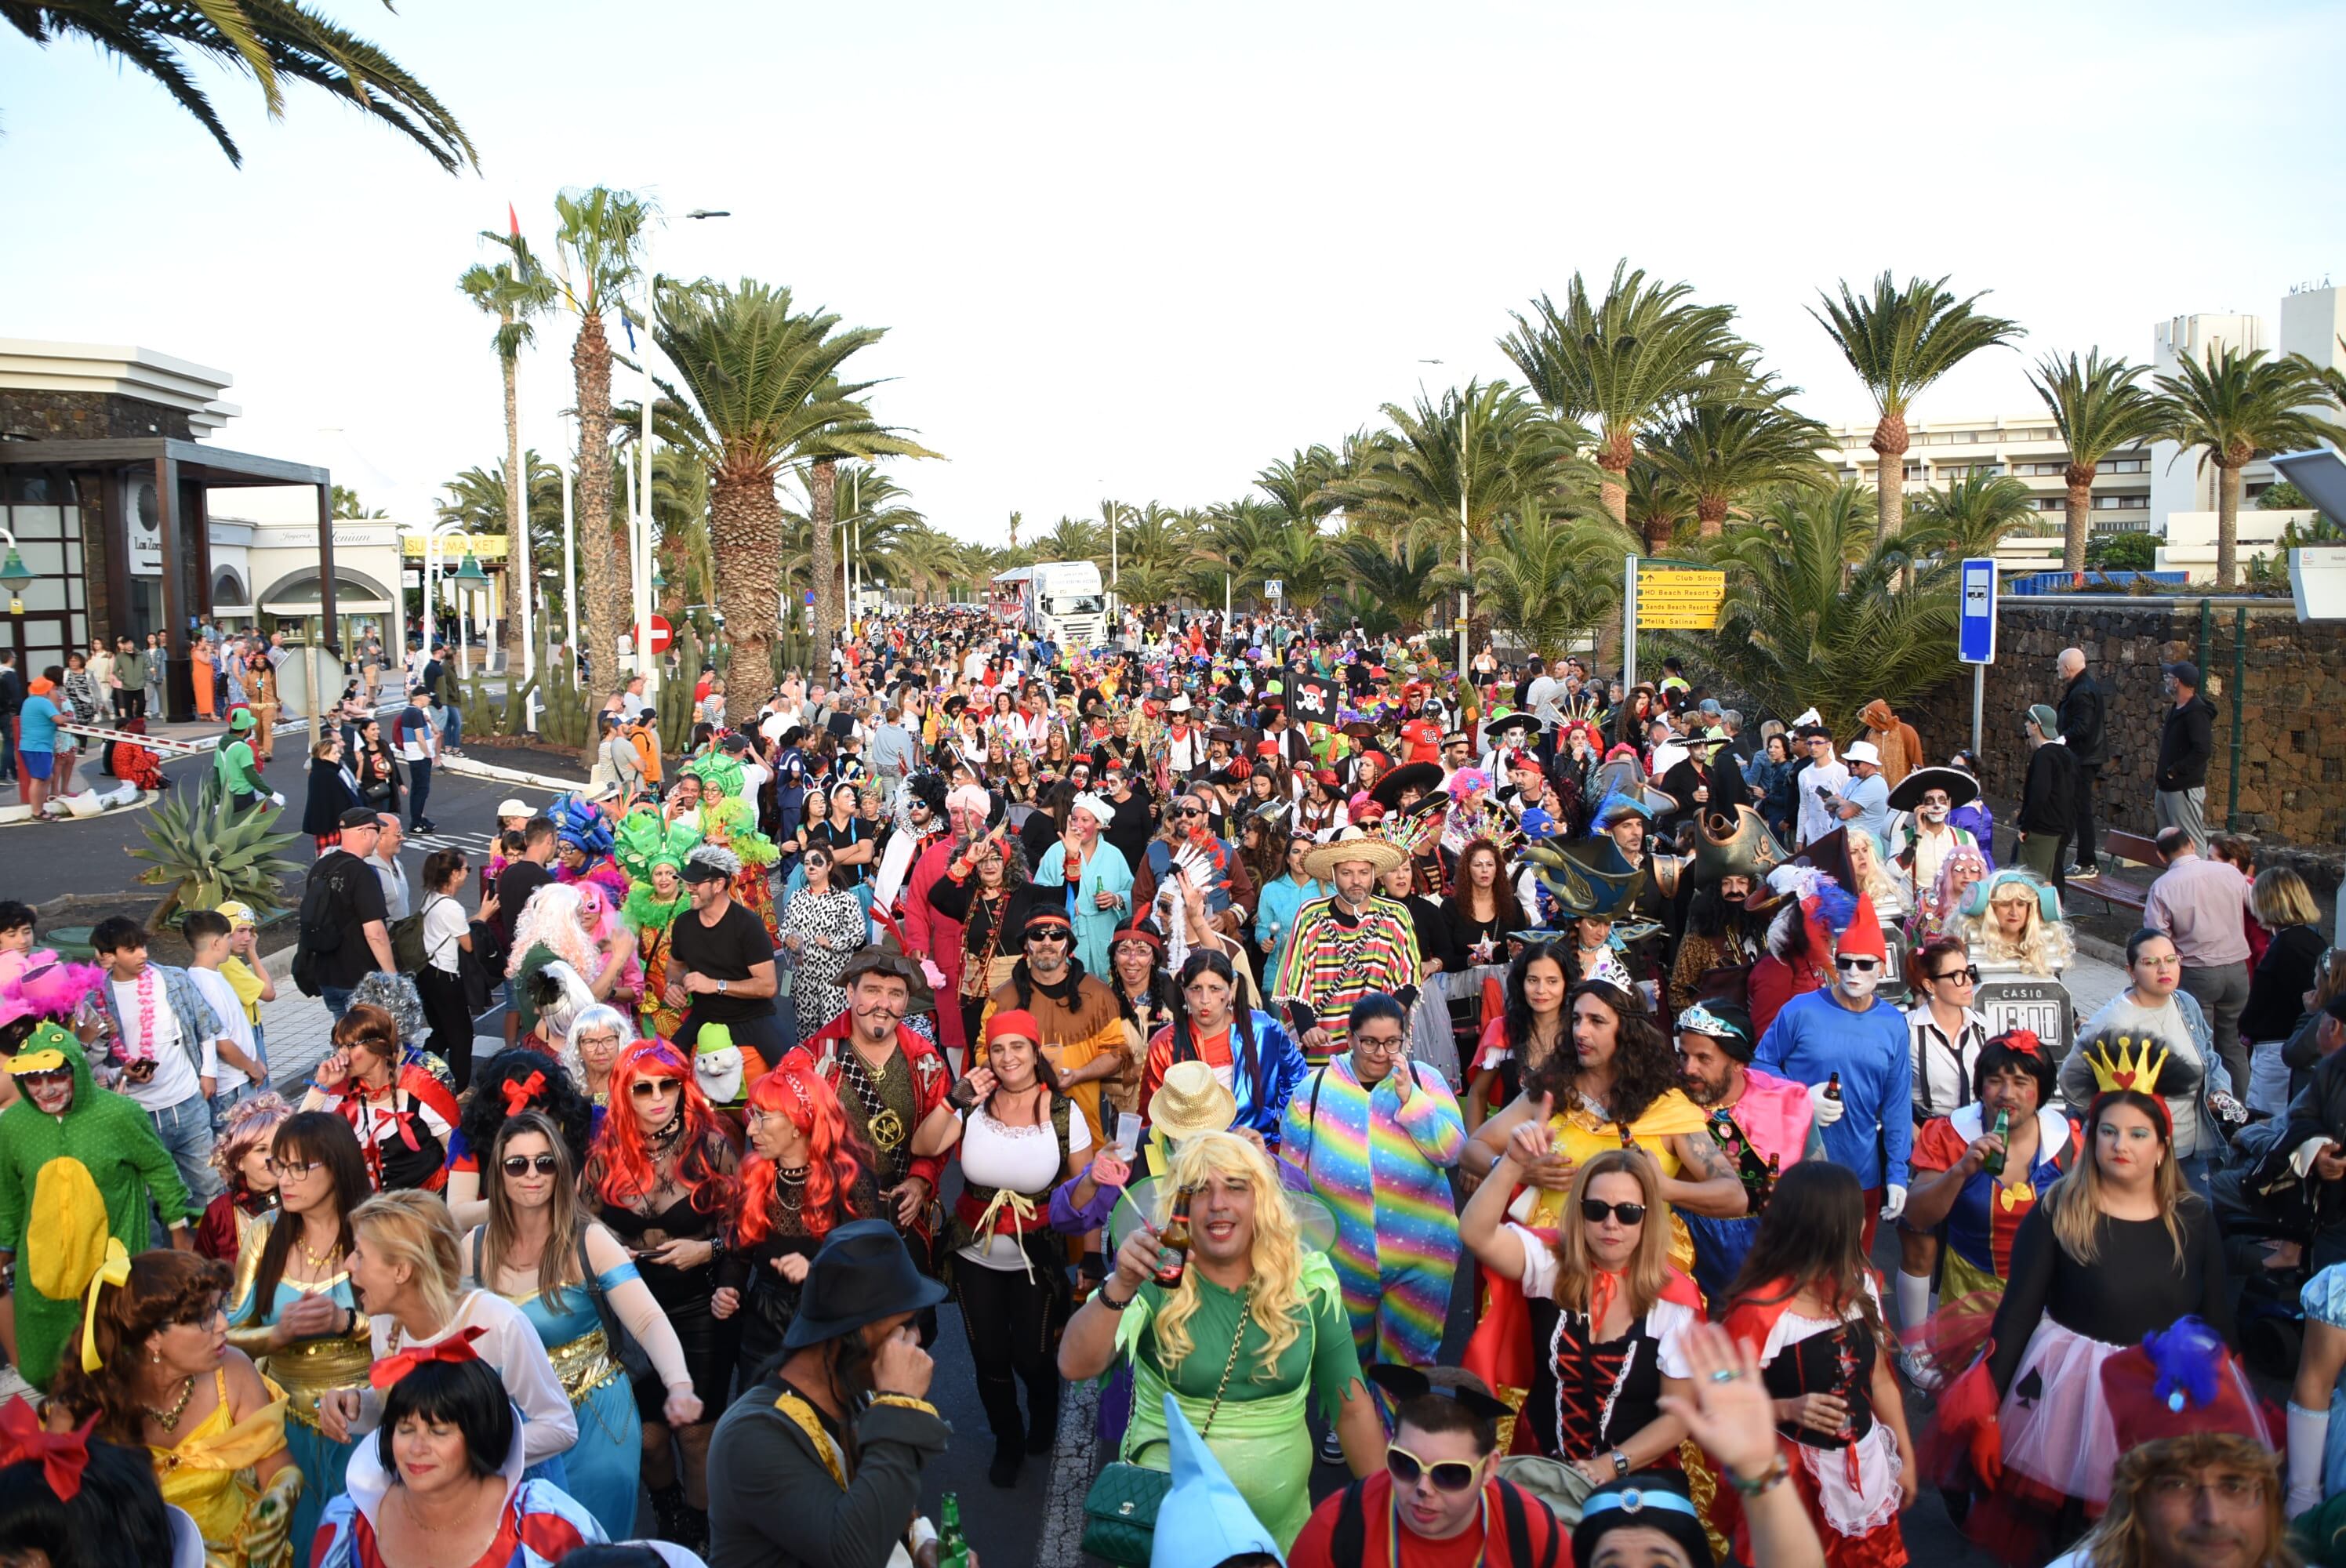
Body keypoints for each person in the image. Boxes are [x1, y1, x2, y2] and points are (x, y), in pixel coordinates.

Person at [1939, 1036, 2249, 1556]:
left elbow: (2216, 1315)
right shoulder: (2058, 1209)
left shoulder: (2191, 1217)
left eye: (2136, 1133)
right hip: (2071, 1392)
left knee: (2159, 1528)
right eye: (2108, 1131)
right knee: (2071, 1532)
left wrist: (2230, 1407)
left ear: (2161, 1146)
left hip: (2164, 1392)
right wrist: (1988, 1412)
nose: (2120, 1144)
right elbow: (2016, 1317)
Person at [1058, 1130, 1381, 1551]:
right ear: (1181, 1208)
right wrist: (1120, 1284)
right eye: (1199, 1190)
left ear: (1259, 1200)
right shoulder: (1155, 1277)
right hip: (1170, 1537)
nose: (1218, 1204)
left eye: (1235, 1187)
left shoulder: (1308, 1279)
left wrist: (1385, 1518)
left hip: (1277, 1540)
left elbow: (1352, 1412)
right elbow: (1075, 1365)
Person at [463, 1111, 701, 1541]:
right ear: (497, 1174)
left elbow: (647, 1320)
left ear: (561, 1169)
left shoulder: (589, 1240)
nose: (532, 1174)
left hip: (596, 1420)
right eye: (517, 1164)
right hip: (514, 1428)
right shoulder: (474, 1248)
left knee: (594, 1547)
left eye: (545, 1162)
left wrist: (679, 1383)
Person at [910, 1011, 1105, 1486]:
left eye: (1017, 1047)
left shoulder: (1063, 1111)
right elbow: (923, 1143)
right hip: (974, 1251)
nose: (1008, 1057)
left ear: (1034, 1052)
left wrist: (1092, 1257)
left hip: (1036, 1252)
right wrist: (953, 1101)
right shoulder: (974, 1105)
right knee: (989, 1357)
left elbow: (1085, 1191)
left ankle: (1043, 1412)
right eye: (998, 1049)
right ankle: (1008, 1439)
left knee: (1032, 1357)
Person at [705, 1219, 953, 1568]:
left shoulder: (855, 1396)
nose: (916, 1340)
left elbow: (884, 1500)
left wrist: (919, 1543)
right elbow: (855, 1555)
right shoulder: (751, 1438)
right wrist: (900, 1402)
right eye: (904, 1325)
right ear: (853, 1333)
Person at [1467, 980, 1749, 1273]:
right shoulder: (1552, 1095)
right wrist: (1516, 1169)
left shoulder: (1667, 1106)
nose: (1580, 1031)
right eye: (1576, 1019)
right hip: (1557, 1271)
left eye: (1596, 1021)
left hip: (1639, 1278)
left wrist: (1666, 1188)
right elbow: (1473, 1149)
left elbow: (1733, 1196)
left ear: (1627, 1031)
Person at [48, 1246, 303, 1568]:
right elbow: (66, 1526)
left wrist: (280, 1498)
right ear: (154, 1338)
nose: (224, 1323)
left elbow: (278, 1466)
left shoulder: (232, 1369)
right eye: (204, 1316)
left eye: (219, 1306)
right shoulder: (82, 1410)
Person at [1717, 1162, 1917, 1568]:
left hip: (1867, 1470)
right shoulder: (1760, 1311)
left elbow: (1878, 1379)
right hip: (1794, 1481)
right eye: (1855, 1214)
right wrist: (1785, 1408)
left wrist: (1908, 1459)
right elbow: (1719, 1402)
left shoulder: (1859, 1283)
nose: (1865, 1221)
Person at [1458, 1146, 1701, 1480]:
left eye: (1628, 1212)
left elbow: (1679, 1418)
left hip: (1634, 1474)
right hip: (1542, 1465)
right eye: (1597, 1209)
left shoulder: (1673, 1301)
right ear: (1579, 1212)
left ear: (1649, 1218)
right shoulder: (1550, 1265)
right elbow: (1475, 1234)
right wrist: (1512, 1162)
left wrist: (1610, 1465)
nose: (1611, 1224)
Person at [585, 1042, 739, 1548]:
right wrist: (609, 1250)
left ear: (682, 1087)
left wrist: (708, 1250)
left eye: (667, 1085)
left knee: (696, 1433)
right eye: (643, 1087)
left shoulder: (712, 1146)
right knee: (649, 1439)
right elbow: (577, 1227)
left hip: (699, 1304)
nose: (657, 1098)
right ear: (624, 1093)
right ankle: (667, 1508)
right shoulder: (605, 1154)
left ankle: (699, 1528)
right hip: (629, 1313)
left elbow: (743, 1230)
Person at [321, 1189, 579, 1486]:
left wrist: (464, 1453)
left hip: (506, 1496)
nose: (348, 1265)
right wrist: (356, 1404)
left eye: (361, 1254)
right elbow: (413, 1414)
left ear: (402, 1270)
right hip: (432, 1500)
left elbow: (560, 1426)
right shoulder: (385, 1325)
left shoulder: (496, 1323)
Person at [0, 1015, 197, 1391]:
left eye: (56, 1076)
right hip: (43, 1280)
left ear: (76, 1068)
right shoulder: (12, 1126)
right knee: (52, 1371)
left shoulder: (119, 1114)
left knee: (121, 1368)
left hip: (114, 1275)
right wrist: (3, 1255)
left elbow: (162, 1170)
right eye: (33, 1080)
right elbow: (8, 1200)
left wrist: (178, 1235)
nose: (45, 1090)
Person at [1280, 991, 1465, 1384]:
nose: (1381, 1053)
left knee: (1411, 1362)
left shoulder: (1423, 1080)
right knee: (1344, 1355)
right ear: (1350, 1039)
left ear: (1404, 1039)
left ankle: (1400, 1439)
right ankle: (1348, 1428)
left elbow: (1452, 1151)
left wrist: (1410, 1100)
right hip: (1340, 1255)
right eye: (1369, 1042)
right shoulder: (1313, 1090)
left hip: (1423, 1254)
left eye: (1392, 1042)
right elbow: (1291, 1183)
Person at [310, 1335, 608, 1568]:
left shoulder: (545, 1527)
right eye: (405, 1429)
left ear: (479, 1435)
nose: (417, 1448)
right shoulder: (348, 1525)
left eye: (438, 1432)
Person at [1753, 889, 1912, 1250]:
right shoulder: (1800, 1010)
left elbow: (1898, 1103)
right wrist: (1800, 1097)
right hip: (1800, 1167)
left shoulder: (1892, 1024)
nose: (1854, 972)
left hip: (1862, 1172)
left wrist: (1898, 1174)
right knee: (1798, 1266)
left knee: (1853, 1271)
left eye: (1865, 964)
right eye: (1846, 963)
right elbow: (1758, 1067)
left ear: (1882, 968)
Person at [1287, 1365, 1568, 1568]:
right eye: (1405, 1464)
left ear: (1489, 1469)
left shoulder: (1530, 1531)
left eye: (1449, 1473)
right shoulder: (1336, 1532)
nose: (1423, 1488)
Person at [713, 1058, 881, 1389]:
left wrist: (817, 1270)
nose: (749, 1130)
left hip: (828, 1322)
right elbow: (740, 1250)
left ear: (798, 1123)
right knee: (762, 1426)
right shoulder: (755, 1175)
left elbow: (872, 1263)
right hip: (763, 1325)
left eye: (762, 1117)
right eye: (752, 1117)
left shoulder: (850, 1180)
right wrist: (728, 1287)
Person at [797, 949, 954, 1262]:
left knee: (911, 1310)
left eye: (895, 994)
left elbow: (940, 1138)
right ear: (851, 992)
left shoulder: (926, 1063)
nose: (884, 1004)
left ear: (906, 1003)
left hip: (901, 1218)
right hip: (832, 1216)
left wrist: (920, 1180)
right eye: (872, 991)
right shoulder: (813, 1058)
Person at [1672, 998, 1818, 1303]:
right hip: (1688, 1256)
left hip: (1772, 1256)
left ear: (1738, 1062)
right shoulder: (1666, 1105)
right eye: (1683, 1055)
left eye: (1703, 1058)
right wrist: (1690, 1172)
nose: (1688, 1069)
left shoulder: (1786, 1103)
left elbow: (1819, 1185)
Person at [2065, 930, 2224, 1190]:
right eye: (2150, 963)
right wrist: (2111, 1120)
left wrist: (2219, 1089)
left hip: (2191, 1152)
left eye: (2171, 959)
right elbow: (2071, 1081)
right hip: (2137, 1160)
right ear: (2131, 970)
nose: (2164, 969)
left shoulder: (2185, 1003)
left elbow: (2208, 1055)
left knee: (2194, 1227)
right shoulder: (2114, 1022)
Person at [90, 914, 230, 1209]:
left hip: (188, 1103)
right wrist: (122, 1073)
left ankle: (215, 1252)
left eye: (142, 946)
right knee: (155, 1202)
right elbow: (92, 1067)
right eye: (131, 950)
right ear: (106, 957)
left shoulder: (173, 979)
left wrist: (208, 1074)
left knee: (210, 1189)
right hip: (138, 1114)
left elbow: (205, 1025)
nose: (143, 954)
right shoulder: (95, 1000)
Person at [978, 906, 1129, 1145]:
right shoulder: (1002, 1000)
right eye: (1038, 935)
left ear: (1068, 944)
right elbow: (982, 1054)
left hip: (1083, 1131)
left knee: (1083, 1181)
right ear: (1026, 945)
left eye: (1056, 935)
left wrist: (1079, 1075)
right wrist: (1023, 1076)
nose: (1047, 942)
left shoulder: (1099, 995)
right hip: (1020, 1133)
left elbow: (1116, 1052)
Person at [1274, 826, 1424, 1067]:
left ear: (1373, 874)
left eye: (1364, 872)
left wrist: (1381, 1026)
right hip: (1322, 1049)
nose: (1356, 881)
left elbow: (1409, 979)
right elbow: (1296, 982)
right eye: (1347, 872)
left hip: (1379, 1051)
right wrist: (1307, 1027)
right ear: (1334, 875)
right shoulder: (1310, 916)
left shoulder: (1396, 916)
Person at [1138, 948, 1313, 1150]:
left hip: (1256, 1153)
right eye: (1195, 988)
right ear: (1183, 991)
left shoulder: (1262, 1030)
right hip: (1189, 1160)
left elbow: (1297, 1076)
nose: (1205, 999)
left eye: (1215, 989)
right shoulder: (1164, 1043)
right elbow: (1151, 1115)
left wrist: (1281, 1123)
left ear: (1232, 989)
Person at [2145, 826, 2254, 1105]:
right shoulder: (2230, 873)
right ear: (2193, 844)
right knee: (2233, 1046)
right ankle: (2239, 1108)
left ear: (2160, 855)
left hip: (2197, 973)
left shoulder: (2163, 887)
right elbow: (2255, 906)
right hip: (2237, 969)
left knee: (2200, 1045)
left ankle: (2206, 1108)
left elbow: (2157, 938)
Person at [300, 1004, 460, 1192]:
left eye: (349, 1046)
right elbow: (297, 1141)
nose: (341, 1055)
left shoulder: (420, 1087)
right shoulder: (339, 1094)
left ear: (378, 1047)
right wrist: (321, 1086)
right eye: (339, 1046)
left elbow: (457, 1152)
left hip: (423, 1208)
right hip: (364, 1212)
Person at [667, 844, 786, 1063]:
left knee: (794, 1076)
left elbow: (768, 986)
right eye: (687, 882)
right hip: (705, 1016)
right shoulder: (683, 924)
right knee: (665, 1066)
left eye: (696, 883)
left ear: (718, 885)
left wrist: (716, 985)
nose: (689, 888)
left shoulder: (747, 925)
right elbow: (675, 966)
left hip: (753, 1018)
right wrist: (673, 985)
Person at [297, 808, 395, 1019]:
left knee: (346, 1040)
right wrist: (392, 976)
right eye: (377, 830)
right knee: (369, 1044)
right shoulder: (361, 872)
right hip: (358, 978)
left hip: (326, 977)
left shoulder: (320, 868)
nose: (378, 837)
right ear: (364, 831)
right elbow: (375, 932)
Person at [1465, 940, 1571, 1134]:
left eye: (1552, 981)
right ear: (1521, 983)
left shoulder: (1580, 1032)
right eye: (1533, 980)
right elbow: (1478, 1095)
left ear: (1567, 984)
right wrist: (1472, 1153)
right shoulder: (1503, 1030)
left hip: (1569, 1150)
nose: (1541, 990)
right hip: (1510, 1146)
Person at [778, 843, 868, 1042]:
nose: (811, 867)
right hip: (804, 978)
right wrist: (787, 938)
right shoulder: (797, 897)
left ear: (828, 866)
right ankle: (806, 1068)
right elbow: (784, 927)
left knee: (833, 1033)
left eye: (817, 862)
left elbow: (859, 932)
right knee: (806, 1033)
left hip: (833, 979)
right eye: (807, 863)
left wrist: (834, 942)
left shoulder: (845, 899)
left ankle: (833, 1072)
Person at [196, 1091, 292, 1263]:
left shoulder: (303, 1198)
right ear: (239, 1161)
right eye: (261, 1150)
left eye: (279, 1146)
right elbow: (203, 1273)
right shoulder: (219, 1213)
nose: (274, 1158)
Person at [2054, 648, 2108, 879]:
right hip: (2085, 757)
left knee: (2081, 809)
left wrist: (2060, 739)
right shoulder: (2083, 687)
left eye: (2059, 665)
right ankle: (2084, 859)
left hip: (2084, 759)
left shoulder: (2082, 692)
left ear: (2067, 668)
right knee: (2078, 809)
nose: (2056, 669)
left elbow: (2082, 726)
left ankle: (2087, 861)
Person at [2015, 706, 2080, 889]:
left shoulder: (2045, 756)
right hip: (2060, 829)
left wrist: (2025, 826)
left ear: (2036, 725)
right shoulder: (2067, 754)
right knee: (2051, 881)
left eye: (2028, 722)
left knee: (2029, 884)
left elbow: (2039, 795)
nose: (2026, 726)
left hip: (2041, 830)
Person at [2155, 661, 2215, 854]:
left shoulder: (2196, 713)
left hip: (2183, 788)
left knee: (2192, 840)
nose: (2166, 680)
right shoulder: (2177, 708)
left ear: (2177, 682)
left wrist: (2176, 770)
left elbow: (2202, 750)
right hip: (2166, 787)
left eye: (2169, 678)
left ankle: (2202, 882)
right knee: (2168, 843)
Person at [390, 684, 439, 833]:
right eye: (427, 697)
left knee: (420, 789)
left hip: (417, 756)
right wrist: (428, 754)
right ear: (419, 697)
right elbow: (420, 737)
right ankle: (416, 823)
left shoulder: (414, 713)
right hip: (419, 757)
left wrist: (430, 722)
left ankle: (419, 819)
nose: (429, 700)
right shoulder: (414, 714)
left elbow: (435, 732)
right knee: (421, 790)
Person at [303, 737, 365, 851]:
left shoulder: (318, 772)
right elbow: (342, 801)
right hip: (333, 827)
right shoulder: (328, 774)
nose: (339, 756)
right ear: (323, 755)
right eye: (334, 753)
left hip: (325, 825)